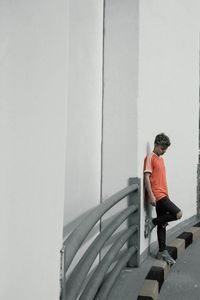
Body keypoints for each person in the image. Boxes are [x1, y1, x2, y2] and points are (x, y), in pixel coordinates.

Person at [144, 133, 182, 264]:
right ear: (156, 144)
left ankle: (162, 252)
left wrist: (168, 194)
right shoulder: (150, 157)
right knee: (178, 214)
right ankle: (152, 222)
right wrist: (151, 195)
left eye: (166, 149)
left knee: (163, 224)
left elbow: (162, 180)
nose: (164, 151)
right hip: (158, 195)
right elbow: (147, 178)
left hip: (164, 194)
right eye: (162, 148)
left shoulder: (161, 159)